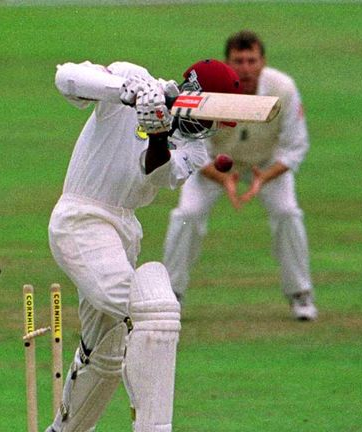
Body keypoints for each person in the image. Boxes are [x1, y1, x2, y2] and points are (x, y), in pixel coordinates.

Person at [47, 58, 241, 431]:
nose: (207, 127)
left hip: (123, 231)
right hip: (81, 219)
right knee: (154, 310)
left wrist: (157, 130)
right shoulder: (132, 77)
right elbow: (65, 78)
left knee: (105, 351)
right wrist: (125, 92)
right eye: (207, 116)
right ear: (193, 90)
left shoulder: (196, 150)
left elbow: (155, 170)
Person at [162, 30, 317, 320]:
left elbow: (295, 146)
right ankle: (172, 295)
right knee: (188, 213)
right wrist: (224, 178)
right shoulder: (210, 89)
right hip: (214, 166)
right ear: (227, 62)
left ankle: (300, 294)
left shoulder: (283, 88)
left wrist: (263, 178)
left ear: (263, 62)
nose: (245, 68)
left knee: (287, 212)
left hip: (266, 164)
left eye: (251, 60)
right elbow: (192, 145)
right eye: (238, 61)